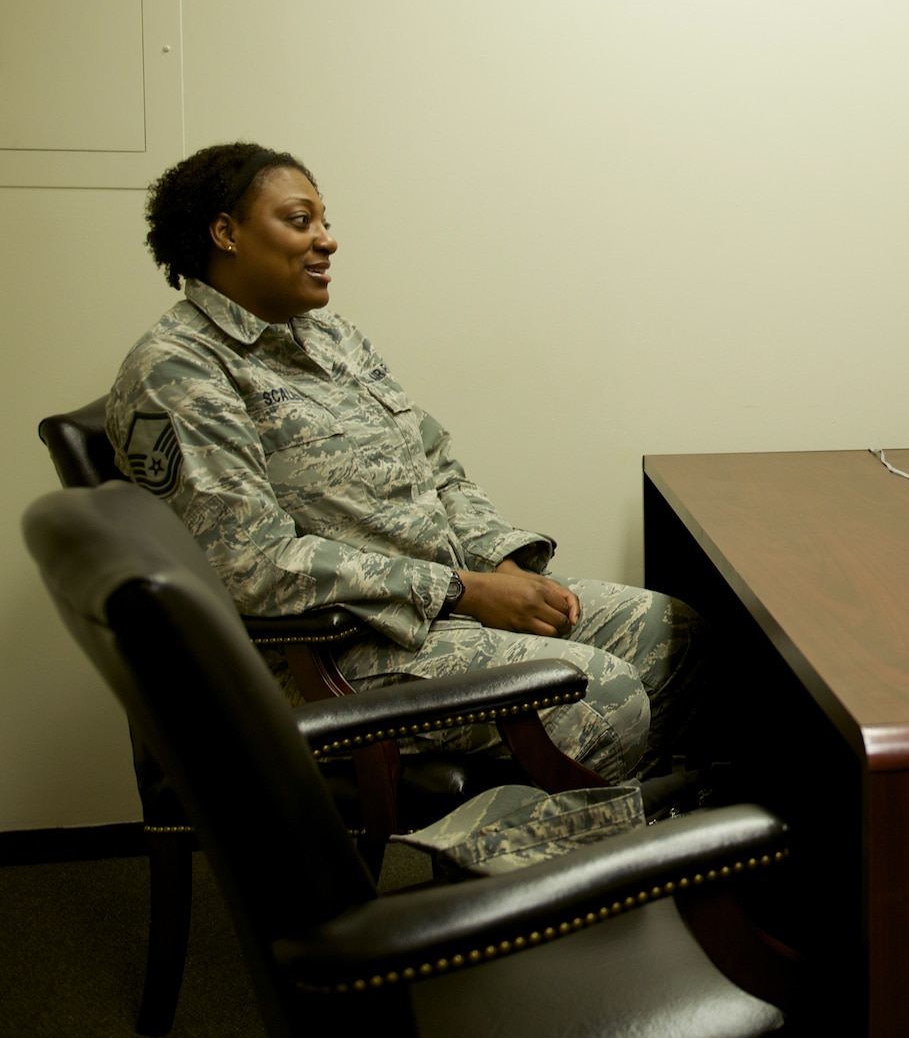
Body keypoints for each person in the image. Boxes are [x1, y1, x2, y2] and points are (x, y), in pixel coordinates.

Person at [107, 142, 707, 785]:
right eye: (300, 220)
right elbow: (254, 569)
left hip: (438, 604)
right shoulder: (178, 370)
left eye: (325, 222)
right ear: (225, 233)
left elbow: (435, 464)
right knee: (602, 696)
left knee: (670, 631)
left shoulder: (331, 337)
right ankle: (527, 866)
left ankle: (596, 833)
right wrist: (463, 591)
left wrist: (495, 563)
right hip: (324, 652)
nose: (327, 241)